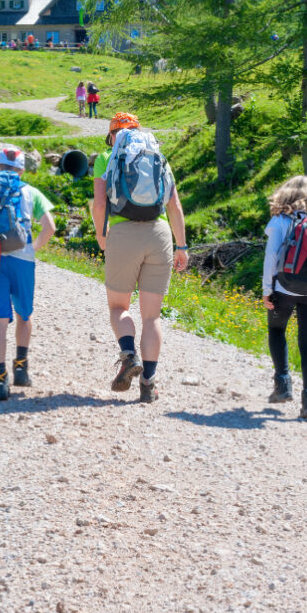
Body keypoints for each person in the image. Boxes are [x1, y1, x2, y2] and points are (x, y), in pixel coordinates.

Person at [92, 113, 188, 402]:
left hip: (123, 234)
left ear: (112, 135)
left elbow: (99, 204)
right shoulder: (158, 155)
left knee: (119, 307)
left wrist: (101, 234)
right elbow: (174, 205)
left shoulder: (106, 157)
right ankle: (149, 383)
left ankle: (129, 353)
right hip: (159, 235)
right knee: (152, 316)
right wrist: (181, 246)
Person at [0, 148, 55, 401]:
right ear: (21, 170)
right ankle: (21, 368)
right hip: (23, 260)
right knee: (24, 313)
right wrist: (32, 249)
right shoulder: (31, 192)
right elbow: (50, 227)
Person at [262, 176, 307, 420]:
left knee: (276, 330)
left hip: (284, 288)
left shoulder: (280, 220)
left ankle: (283, 385)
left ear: (286, 193)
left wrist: (266, 290)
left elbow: (271, 257)